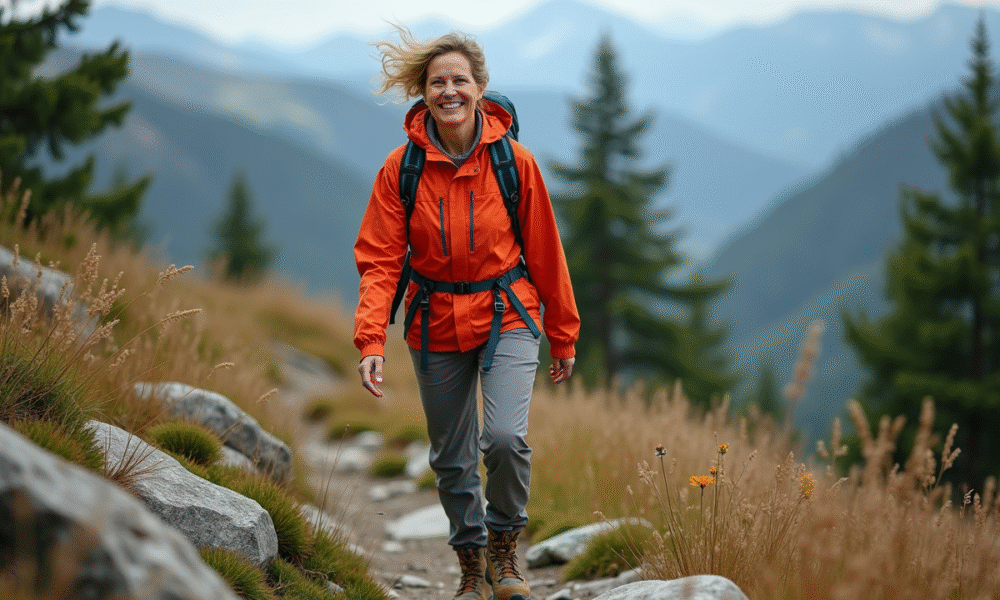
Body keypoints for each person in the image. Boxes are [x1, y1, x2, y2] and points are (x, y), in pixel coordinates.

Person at [353, 26, 580, 600]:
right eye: (437, 82)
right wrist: (371, 339)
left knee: (504, 437)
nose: (448, 91)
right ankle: (471, 565)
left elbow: (546, 250)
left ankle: (506, 548)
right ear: (422, 93)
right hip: (433, 319)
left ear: (480, 87)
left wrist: (564, 333)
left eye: (459, 80)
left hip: (507, 310)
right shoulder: (400, 169)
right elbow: (380, 261)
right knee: (451, 459)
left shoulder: (514, 162)